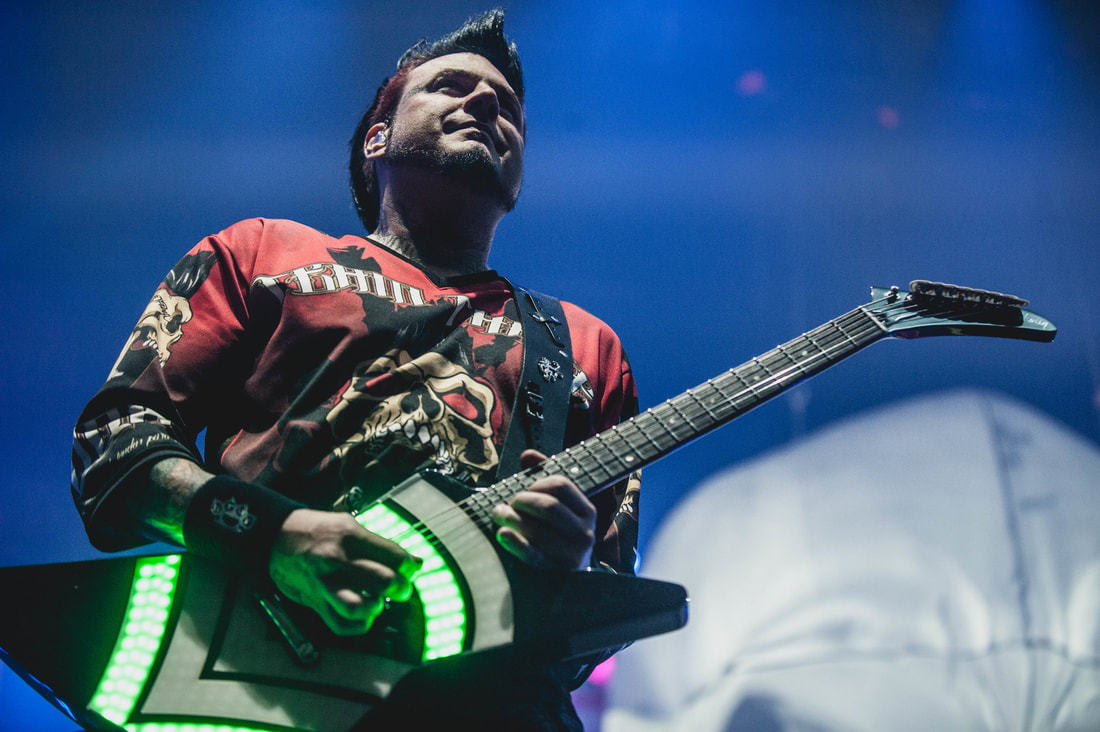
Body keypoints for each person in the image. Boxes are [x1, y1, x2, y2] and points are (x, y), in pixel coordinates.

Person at [71, 9, 640, 730]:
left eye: (509, 109)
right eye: (450, 85)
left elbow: (611, 608)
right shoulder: (264, 252)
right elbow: (115, 444)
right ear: (378, 138)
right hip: (257, 685)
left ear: (518, 177)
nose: (486, 102)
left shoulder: (585, 347)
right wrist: (272, 535)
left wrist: (568, 574)